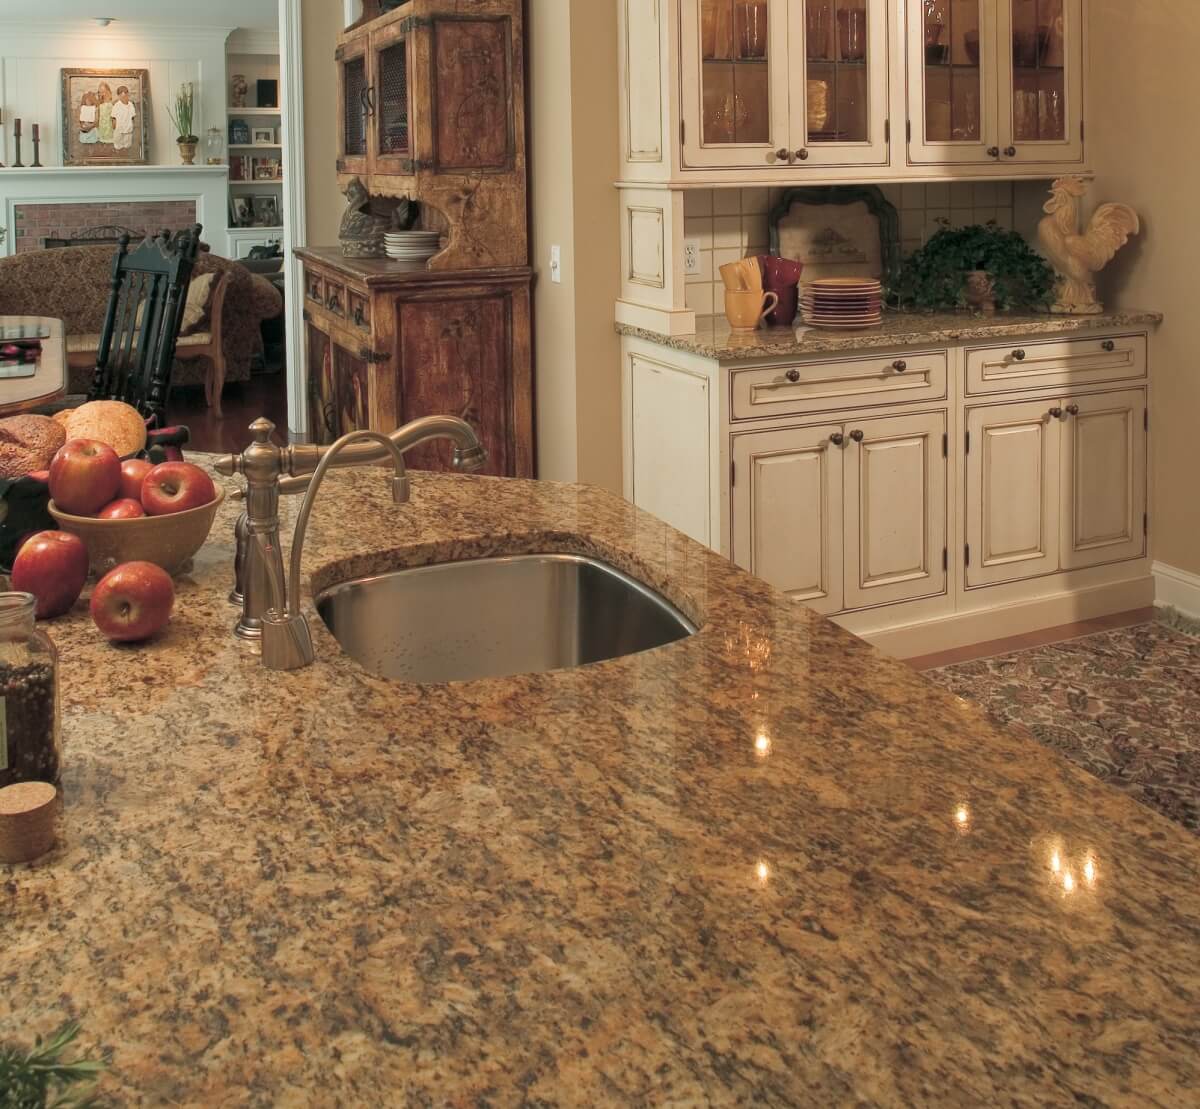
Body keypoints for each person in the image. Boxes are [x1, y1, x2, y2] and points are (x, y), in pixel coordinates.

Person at [111, 85, 136, 152]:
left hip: (128, 128)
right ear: (119, 96)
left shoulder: (130, 105)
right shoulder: (116, 105)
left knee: (127, 144)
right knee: (118, 143)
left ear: (128, 95)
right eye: (122, 96)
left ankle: (125, 152)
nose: (124, 98)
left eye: (126, 96)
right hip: (119, 129)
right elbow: (113, 117)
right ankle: (118, 152)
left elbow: (132, 117)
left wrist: (132, 124)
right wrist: (114, 126)